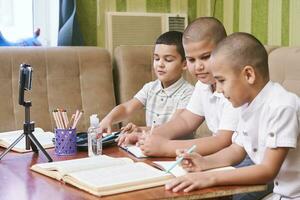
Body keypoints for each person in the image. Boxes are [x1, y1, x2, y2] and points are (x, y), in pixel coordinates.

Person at [165, 32, 300, 200]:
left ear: (248, 75)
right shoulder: (248, 105)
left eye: (221, 81)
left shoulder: (282, 106)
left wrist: (209, 178)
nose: (219, 90)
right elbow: (236, 149)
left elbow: (267, 170)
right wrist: (204, 163)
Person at [135, 17, 238, 158]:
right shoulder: (203, 85)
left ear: (224, 50)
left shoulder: (235, 87)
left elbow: (223, 141)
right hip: (219, 156)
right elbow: (186, 121)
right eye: (191, 59)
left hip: (238, 158)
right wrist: (145, 136)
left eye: (206, 57)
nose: (198, 66)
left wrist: (165, 147)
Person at [99, 31, 194, 142]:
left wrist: (140, 130)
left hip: (176, 150)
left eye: (168, 60)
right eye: (156, 58)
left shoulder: (189, 93)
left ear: (184, 64)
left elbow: (173, 128)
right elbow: (126, 108)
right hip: (150, 145)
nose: (160, 64)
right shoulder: (150, 88)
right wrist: (108, 119)